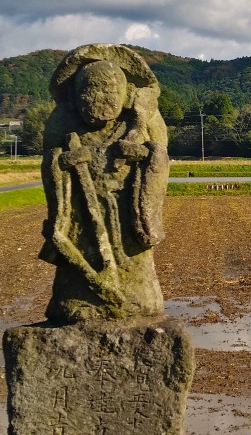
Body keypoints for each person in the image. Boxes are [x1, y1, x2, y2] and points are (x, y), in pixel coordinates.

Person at [39, 44, 169, 324]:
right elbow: (50, 160)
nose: (98, 99)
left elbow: (160, 156)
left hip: (125, 211)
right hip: (81, 212)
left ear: (125, 95)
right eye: (89, 91)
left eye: (109, 91)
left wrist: (145, 155)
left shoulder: (139, 125)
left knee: (133, 262)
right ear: (74, 98)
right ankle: (75, 300)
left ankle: (139, 299)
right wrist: (63, 162)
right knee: (77, 264)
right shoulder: (67, 127)